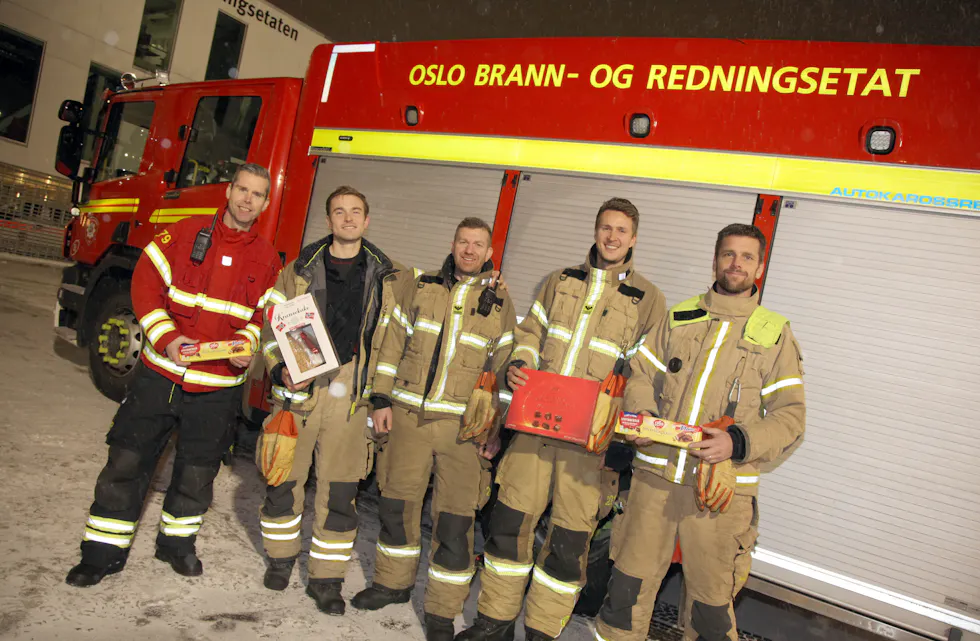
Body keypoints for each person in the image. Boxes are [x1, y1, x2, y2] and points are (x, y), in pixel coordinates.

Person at [457, 198, 668, 641]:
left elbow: (645, 373)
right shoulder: (560, 281)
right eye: (606, 228)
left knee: (568, 549)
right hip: (535, 433)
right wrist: (520, 362)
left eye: (621, 231)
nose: (612, 237)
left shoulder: (649, 299)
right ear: (595, 231)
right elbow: (531, 333)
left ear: (634, 239)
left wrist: (624, 436)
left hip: (589, 447)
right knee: (509, 529)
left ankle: (540, 632)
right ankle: (493, 623)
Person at [66, 163, 282, 586]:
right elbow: (145, 286)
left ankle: (176, 546)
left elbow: (262, 317)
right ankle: (102, 553)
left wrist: (247, 347)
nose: (246, 199)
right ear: (229, 191)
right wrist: (165, 339)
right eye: (241, 189)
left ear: (266, 203)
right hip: (161, 374)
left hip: (218, 388)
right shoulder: (183, 233)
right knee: (127, 460)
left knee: (198, 471)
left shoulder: (268, 259)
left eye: (257, 194)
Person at [594, 223, 806, 641]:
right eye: (728, 254)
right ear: (715, 259)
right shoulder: (680, 315)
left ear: (760, 267)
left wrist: (737, 442)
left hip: (719, 496)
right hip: (654, 484)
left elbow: (791, 418)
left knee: (710, 612)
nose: (736, 264)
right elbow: (640, 375)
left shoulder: (774, 333)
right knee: (625, 593)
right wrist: (641, 415)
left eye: (747, 257)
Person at [350, 217, 517, 641]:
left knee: (454, 524)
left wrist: (494, 428)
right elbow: (391, 344)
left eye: (478, 244)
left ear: (488, 251)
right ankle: (391, 583)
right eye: (463, 241)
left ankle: (442, 612)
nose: (469, 250)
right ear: (453, 242)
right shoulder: (420, 285)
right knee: (396, 506)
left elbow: (502, 370)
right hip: (408, 417)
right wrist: (381, 399)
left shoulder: (499, 302)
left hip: (463, 430)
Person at [256, 185, 415, 615]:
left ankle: (326, 580)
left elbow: (425, 315)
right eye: (339, 212)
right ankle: (281, 558)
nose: (347, 219)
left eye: (355, 212)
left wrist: (488, 277)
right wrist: (277, 369)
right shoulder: (298, 271)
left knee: (340, 492)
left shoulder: (392, 276)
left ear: (367, 220)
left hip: (352, 395)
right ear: (328, 220)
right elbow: (270, 331)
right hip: (300, 390)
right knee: (283, 481)